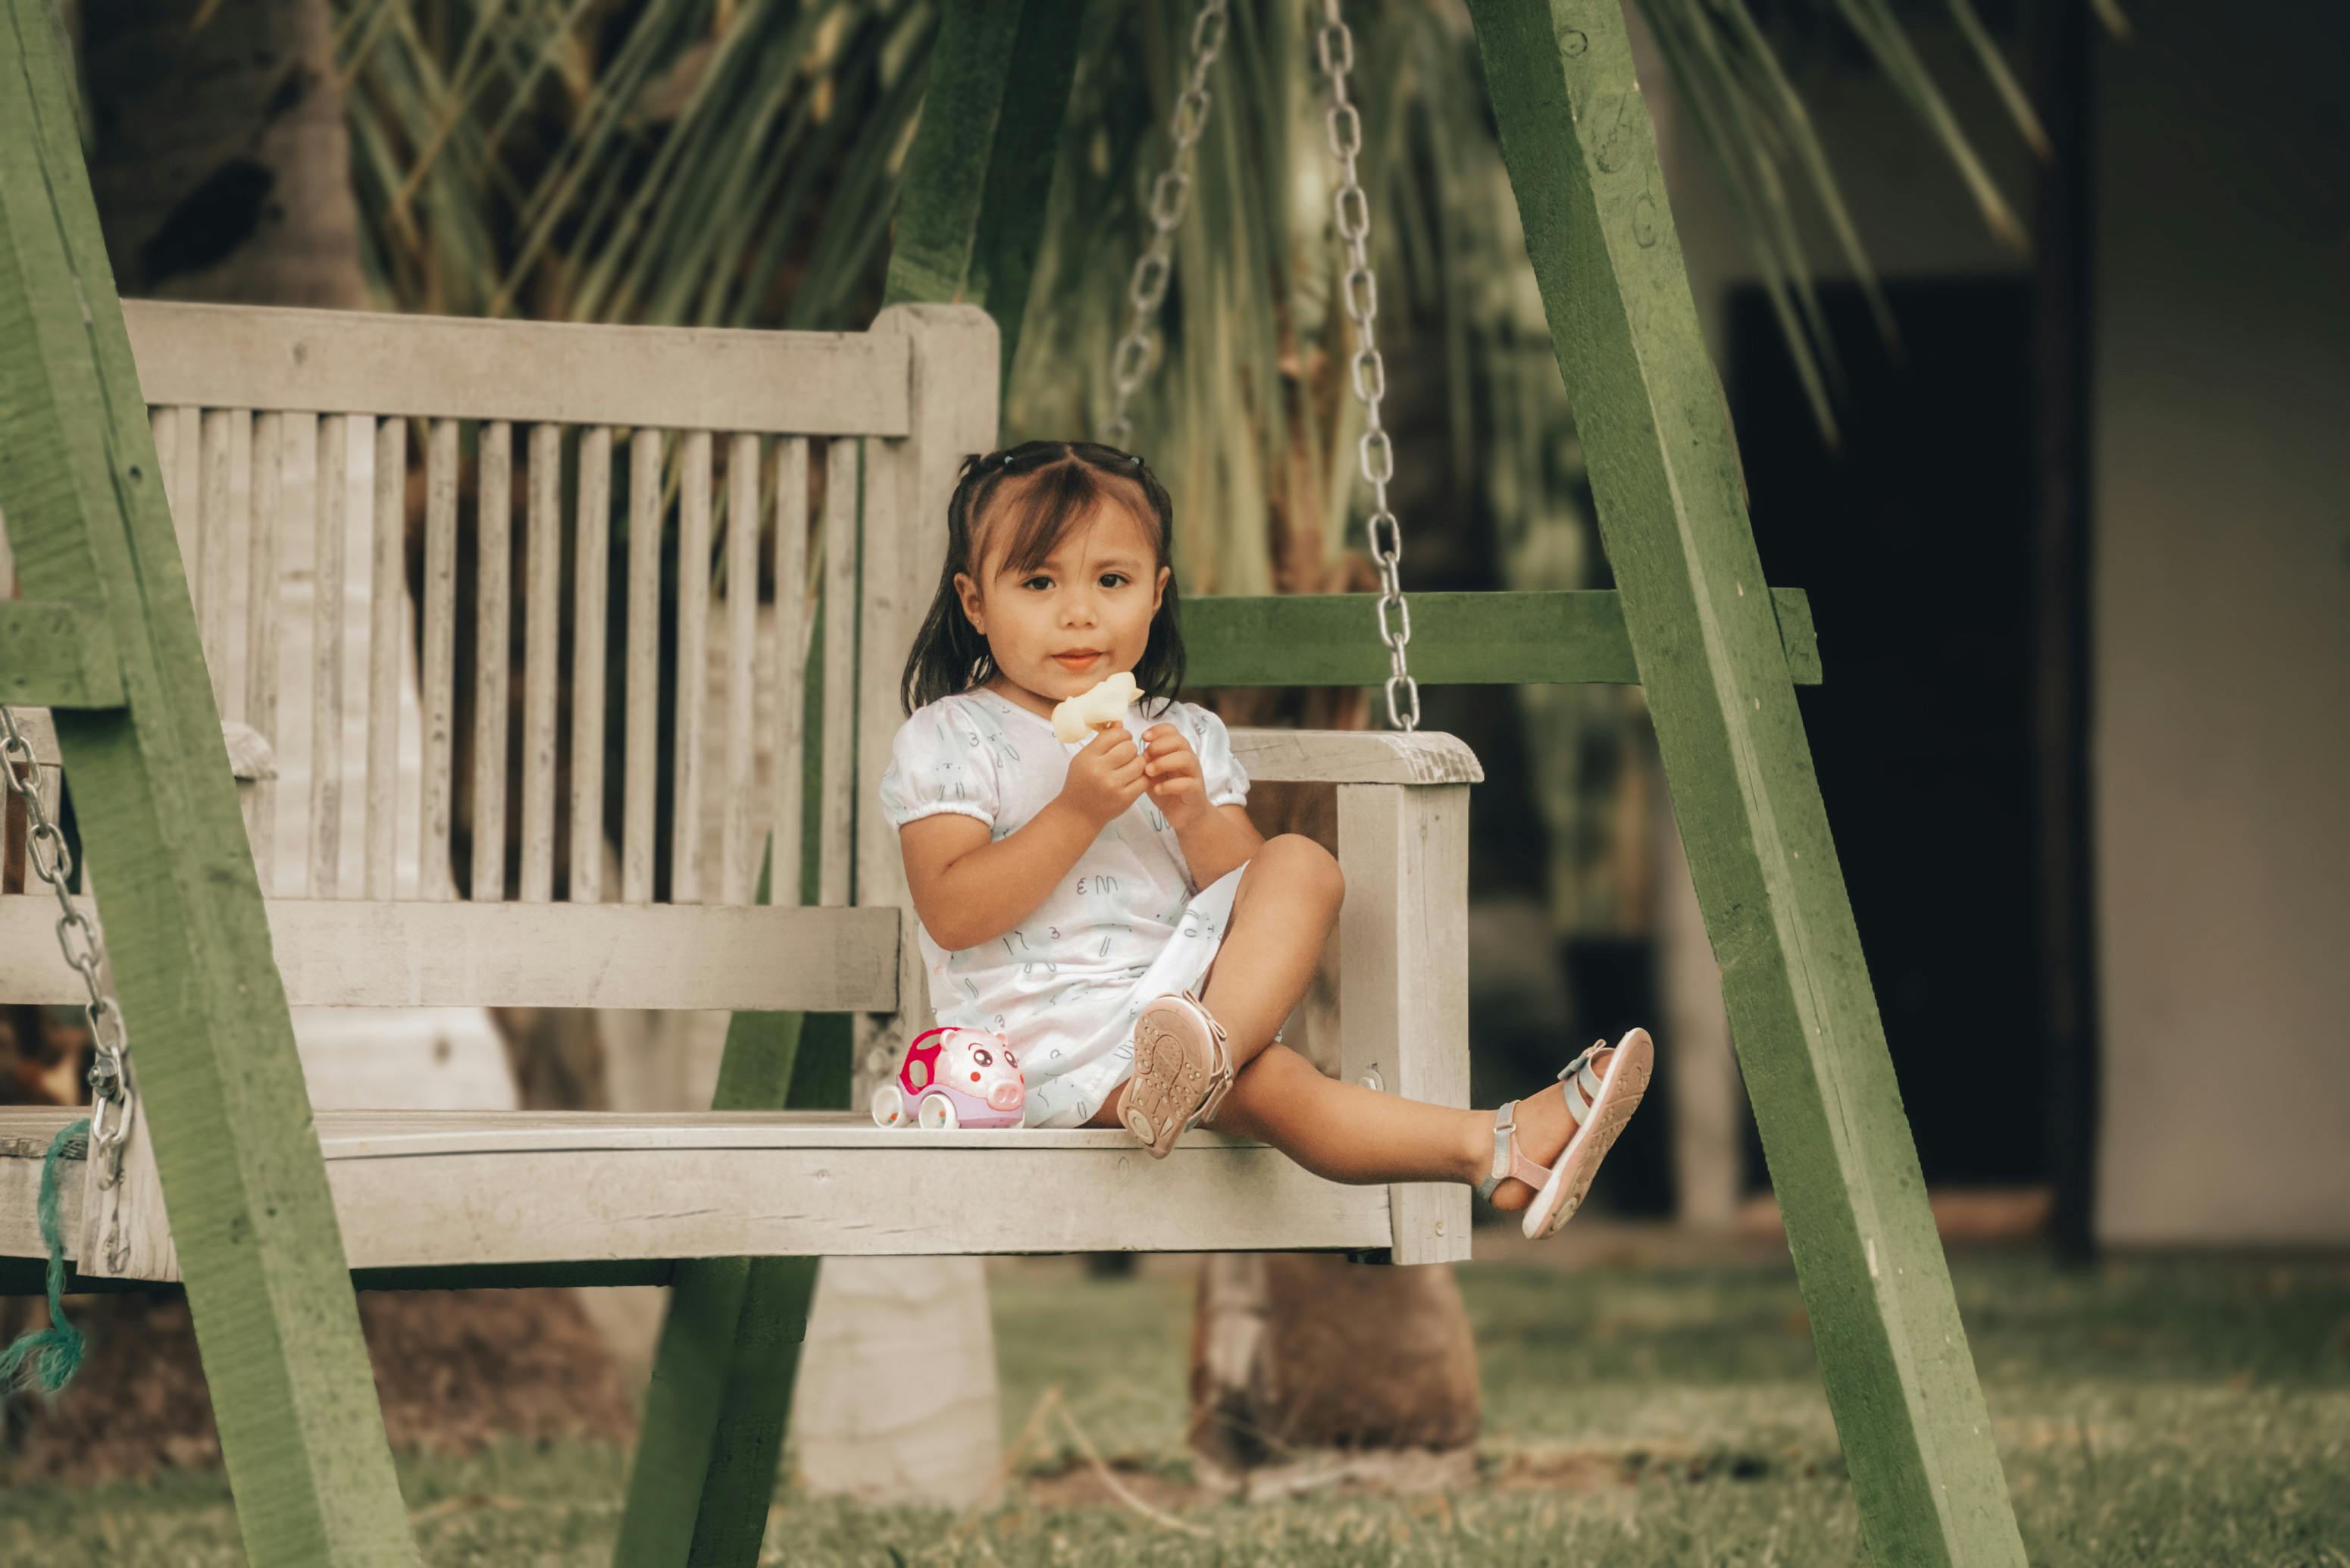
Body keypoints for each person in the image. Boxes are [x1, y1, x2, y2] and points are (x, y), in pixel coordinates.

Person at [879, 440, 1654, 1238]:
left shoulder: (1181, 733)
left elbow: (1248, 889)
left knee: (1297, 862)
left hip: (1182, 1014)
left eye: (1111, 580)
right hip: (1042, 1049)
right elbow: (951, 909)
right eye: (1039, 582)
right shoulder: (952, 736)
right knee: (1278, 1079)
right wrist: (1074, 812)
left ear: (1155, 595)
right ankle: (1488, 1140)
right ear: (974, 603)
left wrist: (1193, 817)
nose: (1078, 611)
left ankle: (1462, 1141)